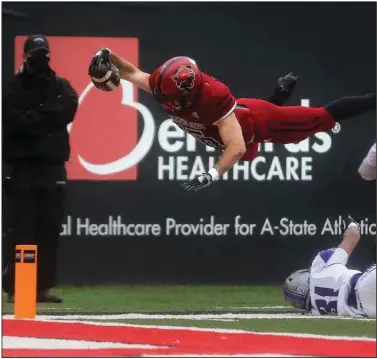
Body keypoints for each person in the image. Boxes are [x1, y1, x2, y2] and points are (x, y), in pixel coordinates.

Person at [88, 50, 375, 192]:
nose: (164, 101)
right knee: (251, 149)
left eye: (170, 97)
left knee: (321, 117)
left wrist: (210, 175)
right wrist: (105, 55)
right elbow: (133, 73)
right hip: (234, 130)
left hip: (256, 121)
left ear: (189, 92)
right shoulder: (168, 86)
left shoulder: (213, 98)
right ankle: (277, 96)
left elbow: (235, 147)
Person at [2, 34, 79, 303]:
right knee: (23, 228)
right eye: (35, 54)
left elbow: (68, 109)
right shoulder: (12, 88)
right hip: (22, 169)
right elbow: (17, 123)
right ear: (24, 57)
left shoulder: (60, 85)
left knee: (49, 229)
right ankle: (19, 287)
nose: (41, 59)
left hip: (53, 168)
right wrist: (47, 116)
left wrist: (37, 115)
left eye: (44, 54)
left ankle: (42, 287)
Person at [283, 216, 376, 318]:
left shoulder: (317, 311)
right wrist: (351, 223)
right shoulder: (318, 267)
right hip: (366, 282)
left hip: (367, 310)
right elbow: (353, 235)